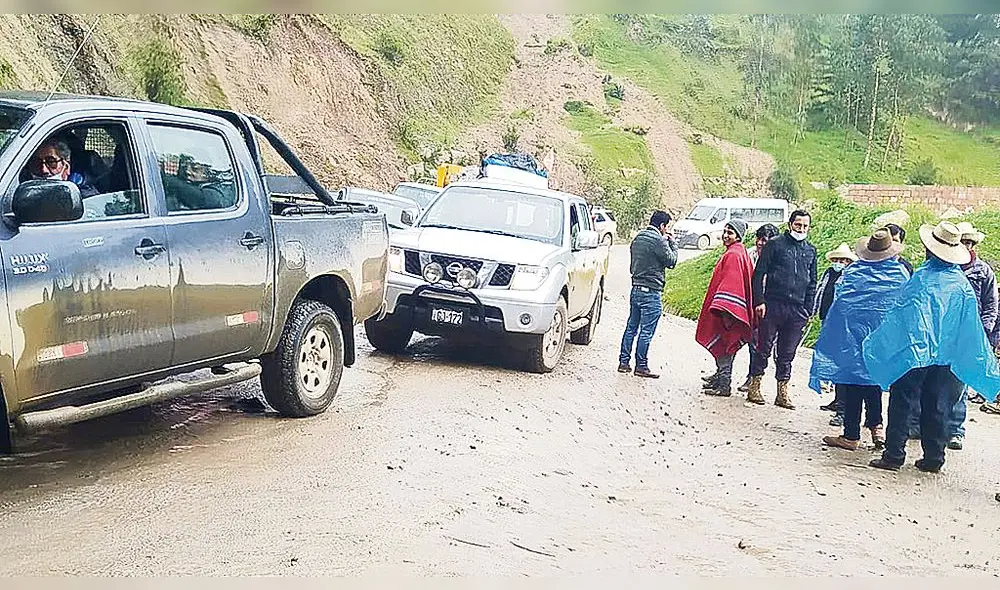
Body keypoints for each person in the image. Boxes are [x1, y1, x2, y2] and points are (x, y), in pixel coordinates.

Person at [863, 221, 1000, 473]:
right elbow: (968, 327)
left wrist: (883, 344)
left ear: (930, 249)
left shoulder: (921, 279)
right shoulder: (961, 286)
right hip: (945, 358)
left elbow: (901, 317)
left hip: (915, 354)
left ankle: (894, 454)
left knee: (902, 400)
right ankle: (934, 458)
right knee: (937, 405)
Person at [809, 228, 908, 451]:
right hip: (882, 341)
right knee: (873, 380)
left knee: (853, 381)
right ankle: (877, 428)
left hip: (852, 338)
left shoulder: (854, 273)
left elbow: (840, 304)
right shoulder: (900, 274)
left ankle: (851, 434)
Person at [746, 210, 818, 409]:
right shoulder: (775, 244)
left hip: (797, 310)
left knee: (787, 353)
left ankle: (782, 392)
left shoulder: (810, 251)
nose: (801, 229)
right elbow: (759, 274)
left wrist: (808, 310)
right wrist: (759, 301)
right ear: (790, 224)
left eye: (805, 226)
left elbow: (812, 282)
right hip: (772, 304)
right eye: (798, 225)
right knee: (763, 348)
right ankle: (755, 385)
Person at [944, 222, 997, 450]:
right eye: (961, 242)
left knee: (959, 383)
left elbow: (991, 305)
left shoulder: (983, 271)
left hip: (970, 336)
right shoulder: (945, 267)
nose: (965, 246)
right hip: (944, 333)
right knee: (931, 380)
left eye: (968, 242)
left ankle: (956, 430)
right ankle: (919, 424)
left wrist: (984, 332)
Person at [697, 219, 755, 397]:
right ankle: (719, 378)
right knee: (726, 346)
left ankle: (724, 385)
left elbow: (733, 284)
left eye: (730, 232)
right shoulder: (739, 252)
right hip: (730, 310)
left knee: (725, 346)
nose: (725, 235)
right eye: (725, 231)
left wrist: (726, 312)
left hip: (727, 311)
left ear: (738, 236)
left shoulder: (733, 255)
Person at [619, 210, 678, 378]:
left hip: (635, 288)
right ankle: (641, 366)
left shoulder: (638, 238)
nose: (666, 231)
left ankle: (624, 362)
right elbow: (672, 261)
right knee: (646, 331)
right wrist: (672, 243)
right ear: (662, 226)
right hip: (651, 292)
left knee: (631, 327)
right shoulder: (659, 241)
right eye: (666, 227)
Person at [814, 243, 858, 427]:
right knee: (833, 362)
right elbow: (820, 293)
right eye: (837, 260)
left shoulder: (850, 277)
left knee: (842, 366)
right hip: (829, 322)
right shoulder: (828, 274)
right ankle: (837, 400)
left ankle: (843, 408)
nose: (839, 263)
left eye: (843, 260)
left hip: (844, 327)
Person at [737, 223, 780, 393]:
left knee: (760, 345)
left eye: (766, 240)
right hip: (748, 303)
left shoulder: (778, 258)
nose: (762, 243)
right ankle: (723, 374)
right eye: (760, 239)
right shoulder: (748, 256)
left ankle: (753, 378)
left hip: (768, 307)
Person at [26, 138, 99, 197]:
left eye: (51, 162)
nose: (43, 170)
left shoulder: (84, 195)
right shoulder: (25, 193)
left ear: (66, 166)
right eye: (36, 163)